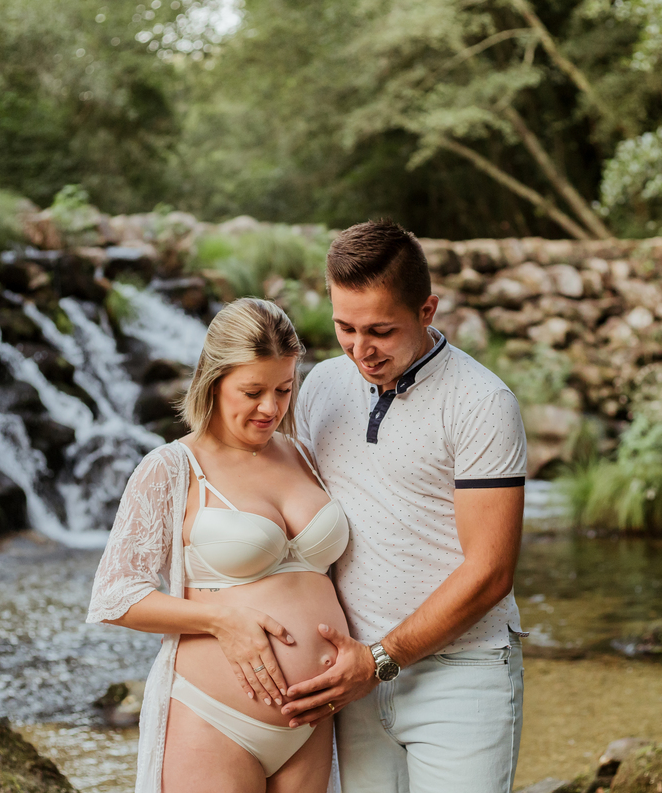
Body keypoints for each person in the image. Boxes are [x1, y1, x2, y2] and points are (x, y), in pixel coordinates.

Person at [280, 219, 529, 793]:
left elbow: (490, 571)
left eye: (380, 331)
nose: (360, 350)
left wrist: (379, 661)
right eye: (345, 327)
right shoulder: (320, 385)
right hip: (346, 674)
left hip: (461, 675)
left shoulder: (482, 402)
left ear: (427, 310)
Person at [86, 297, 349, 793]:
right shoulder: (171, 468)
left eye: (283, 389)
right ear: (214, 380)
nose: (270, 408)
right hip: (215, 721)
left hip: (312, 723)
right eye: (252, 391)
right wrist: (221, 620)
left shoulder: (303, 456)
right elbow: (116, 596)